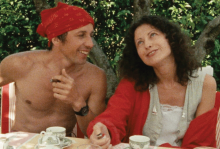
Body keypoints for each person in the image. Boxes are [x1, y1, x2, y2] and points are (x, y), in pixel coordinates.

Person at [87, 15, 218, 148]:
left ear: (170, 38)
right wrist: (103, 129)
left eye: (153, 35)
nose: (147, 45)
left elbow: (201, 142)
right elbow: (113, 117)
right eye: (140, 42)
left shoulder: (204, 84)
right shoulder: (132, 83)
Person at [0, 2, 107, 136]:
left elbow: (94, 133)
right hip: (23, 143)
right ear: (56, 39)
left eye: (90, 35)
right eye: (81, 35)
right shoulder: (20, 64)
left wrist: (78, 102)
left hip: (64, 144)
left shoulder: (96, 77)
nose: (90, 44)